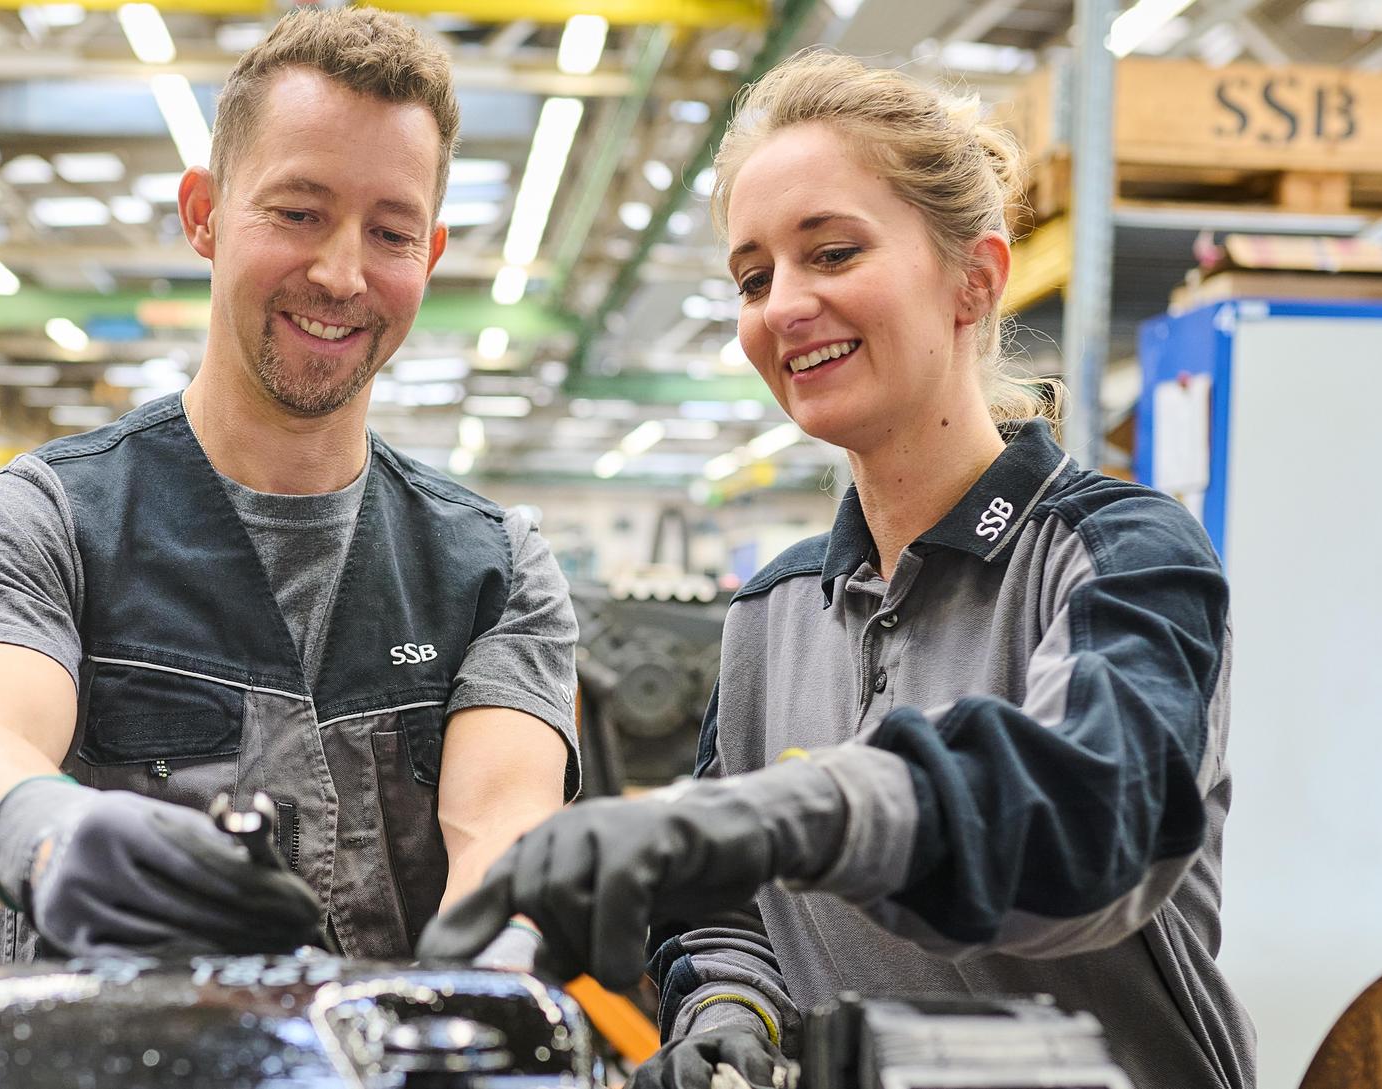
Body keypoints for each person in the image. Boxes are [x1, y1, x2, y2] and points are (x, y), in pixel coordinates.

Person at [421, 50, 1253, 1089]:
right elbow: (727, 913)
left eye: (832, 252)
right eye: (754, 277)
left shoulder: (1118, 556)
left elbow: (1091, 823)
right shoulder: (772, 613)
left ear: (974, 280)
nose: (783, 306)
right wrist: (729, 1006)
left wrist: (778, 814)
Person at [0, 7, 580, 965]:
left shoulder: (496, 568)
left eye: (391, 232)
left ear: (428, 257)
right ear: (204, 215)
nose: (342, 273)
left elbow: (502, 826)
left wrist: (505, 950)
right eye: (298, 213)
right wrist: (53, 835)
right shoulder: (43, 521)